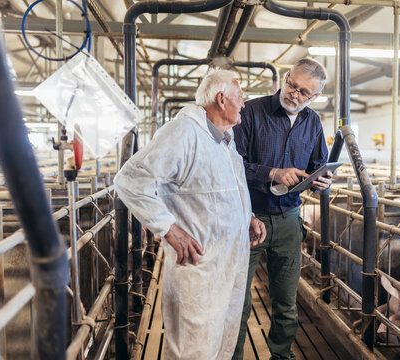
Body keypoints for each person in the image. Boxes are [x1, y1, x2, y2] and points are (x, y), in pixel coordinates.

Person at [114, 69, 266, 360]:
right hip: (199, 266)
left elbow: (221, 190)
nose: (244, 104)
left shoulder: (225, 140)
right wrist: (168, 228)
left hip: (228, 262)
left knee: (221, 342)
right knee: (193, 350)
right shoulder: (184, 132)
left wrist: (248, 216)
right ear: (222, 100)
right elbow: (131, 179)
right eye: (240, 97)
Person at [232, 58, 333, 360]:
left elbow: (319, 165)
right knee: (238, 298)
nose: (295, 94)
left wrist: (322, 180)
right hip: (247, 216)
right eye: (293, 85)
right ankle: (232, 354)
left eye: (304, 92)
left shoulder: (312, 122)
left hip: (289, 218)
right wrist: (272, 173)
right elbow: (233, 164)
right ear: (285, 77)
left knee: (286, 301)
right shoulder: (250, 111)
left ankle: (281, 355)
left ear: (314, 97)